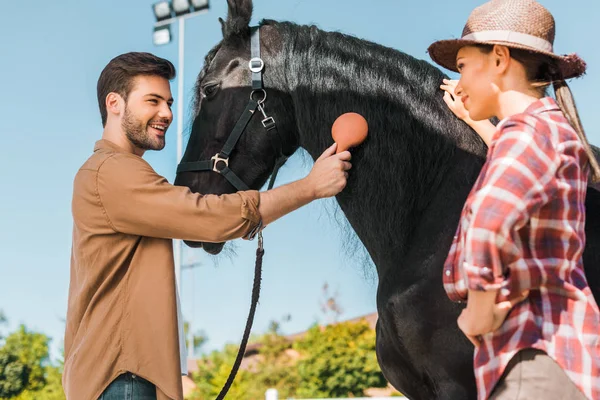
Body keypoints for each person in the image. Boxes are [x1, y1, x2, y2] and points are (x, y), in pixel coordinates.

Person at [63, 52, 352, 400]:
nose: (167, 113)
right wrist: (310, 187)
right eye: (152, 101)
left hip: (125, 375)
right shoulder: (111, 171)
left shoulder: (113, 173)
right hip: (124, 377)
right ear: (115, 104)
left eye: (168, 102)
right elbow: (209, 217)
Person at [427, 0, 600, 399]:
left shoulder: (527, 132)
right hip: (555, 353)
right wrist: (475, 119)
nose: (459, 80)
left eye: (465, 65)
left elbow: (487, 228)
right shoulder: (543, 129)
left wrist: (479, 314)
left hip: (532, 355)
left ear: (500, 59)